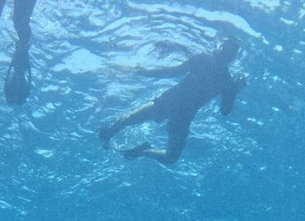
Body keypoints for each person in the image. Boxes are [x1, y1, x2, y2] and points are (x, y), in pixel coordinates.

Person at [98, 38, 246, 166]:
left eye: (230, 52)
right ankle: (111, 135)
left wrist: (234, 91)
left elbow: (224, 111)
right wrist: (145, 72)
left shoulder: (226, 81)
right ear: (222, 50)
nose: (226, 54)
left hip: (179, 113)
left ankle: (142, 150)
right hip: (171, 104)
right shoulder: (207, 62)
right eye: (226, 49)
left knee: (170, 158)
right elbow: (173, 71)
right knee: (127, 121)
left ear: (232, 57)